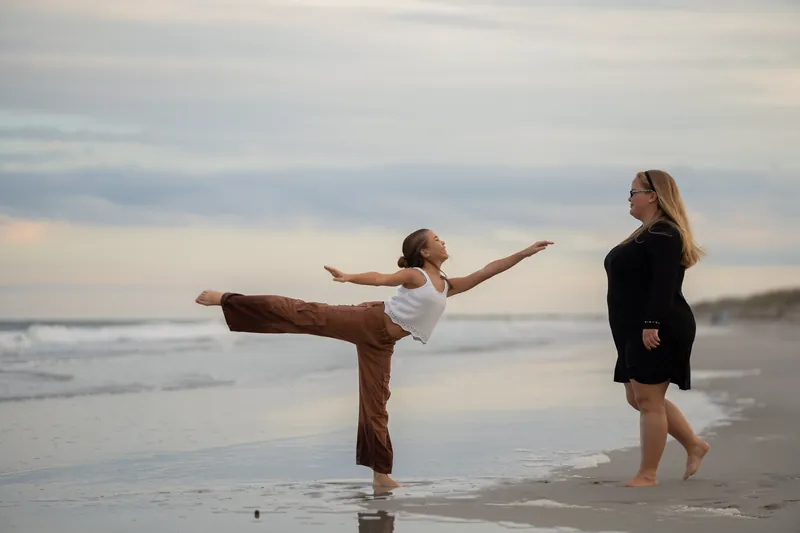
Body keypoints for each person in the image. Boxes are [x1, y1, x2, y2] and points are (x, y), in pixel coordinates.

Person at [195, 229, 553, 489]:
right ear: (424, 251)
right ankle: (227, 299)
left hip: (382, 343)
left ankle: (381, 476)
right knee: (303, 313)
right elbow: (382, 278)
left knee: (376, 405)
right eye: (437, 239)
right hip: (368, 320)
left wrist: (524, 253)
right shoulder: (415, 275)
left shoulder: (446, 284)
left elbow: (489, 270)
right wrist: (350, 277)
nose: (443, 242)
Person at [604, 169, 710, 488]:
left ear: (652, 195)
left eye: (633, 192)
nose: (629, 198)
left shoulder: (664, 232)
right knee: (638, 398)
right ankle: (694, 444)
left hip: (657, 326)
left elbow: (665, 281)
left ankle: (648, 474)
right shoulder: (647, 232)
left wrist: (652, 323)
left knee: (649, 400)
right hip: (633, 329)